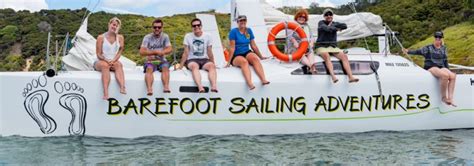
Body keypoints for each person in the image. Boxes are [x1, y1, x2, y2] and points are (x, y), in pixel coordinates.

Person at [403, 31, 456, 106]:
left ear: (441, 39)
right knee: (445, 76)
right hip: (431, 67)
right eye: (436, 37)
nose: (438, 39)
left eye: (439, 37)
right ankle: (444, 97)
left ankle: (450, 98)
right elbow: (418, 51)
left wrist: (448, 70)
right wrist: (408, 51)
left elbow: (445, 60)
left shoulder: (444, 48)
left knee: (453, 76)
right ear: (434, 38)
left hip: (441, 67)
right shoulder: (428, 48)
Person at [226, 15, 270, 90]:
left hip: (246, 52)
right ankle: (249, 83)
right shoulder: (233, 32)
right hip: (236, 55)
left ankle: (263, 80)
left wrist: (261, 57)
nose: (243, 22)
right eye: (241, 21)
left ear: (246, 21)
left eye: (244, 20)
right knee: (244, 62)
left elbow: (253, 45)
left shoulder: (248, 31)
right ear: (237, 22)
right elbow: (232, 48)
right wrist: (228, 62)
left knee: (255, 59)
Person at [316, 9, 359, 83]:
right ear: (324, 16)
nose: (328, 16)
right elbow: (326, 29)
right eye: (326, 15)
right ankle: (333, 76)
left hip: (332, 46)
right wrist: (336, 29)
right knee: (326, 56)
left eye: (330, 14)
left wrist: (334, 26)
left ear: (332, 16)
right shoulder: (321, 22)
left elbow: (344, 26)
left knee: (344, 56)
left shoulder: (335, 23)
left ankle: (350, 77)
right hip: (321, 46)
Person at [177, 18, 218, 93]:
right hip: (192, 59)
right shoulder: (188, 36)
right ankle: (200, 87)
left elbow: (209, 51)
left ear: (201, 26)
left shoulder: (208, 36)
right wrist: (181, 66)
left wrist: (213, 63)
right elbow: (186, 53)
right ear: (192, 27)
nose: (196, 27)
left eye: (198, 25)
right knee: (194, 67)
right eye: (194, 26)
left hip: (204, 59)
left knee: (211, 66)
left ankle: (214, 86)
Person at [95, 17, 126, 100]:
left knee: (119, 65)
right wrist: (106, 60)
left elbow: (120, 51)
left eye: (116, 25)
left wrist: (114, 60)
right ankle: (105, 92)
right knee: (105, 66)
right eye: (113, 24)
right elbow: (98, 54)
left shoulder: (120, 37)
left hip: (113, 60)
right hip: (101, 60)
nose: (114, 27)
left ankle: (122, 87)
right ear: (109, 24)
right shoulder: (101, 37)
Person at [140, 19, 173, 95]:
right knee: (149, 69)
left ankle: (166, 87)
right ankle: (149, 89)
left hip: (162, 60)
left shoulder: (165, 36)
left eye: (159, 27)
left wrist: (163, 52)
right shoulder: (147, 37)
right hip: (150, 61)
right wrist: (155, 52)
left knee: (165, 68)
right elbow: (141, 51)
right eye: (155, 27)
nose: (157, 29)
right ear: (152, 28)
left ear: (162, 28)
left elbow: (170, 48)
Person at [290, 9, 316, 74]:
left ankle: (312, 66)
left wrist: (311, 43)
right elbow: (289, 36)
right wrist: (294, 42)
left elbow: (312, 36)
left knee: (311, 52)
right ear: (297, 17)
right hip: (297, 47)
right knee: (300, 54)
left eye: (304, 17)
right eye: (300, 16)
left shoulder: (307, 26)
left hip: (306, 47)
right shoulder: (292, 24)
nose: (302, 18)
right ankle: (311, 67)